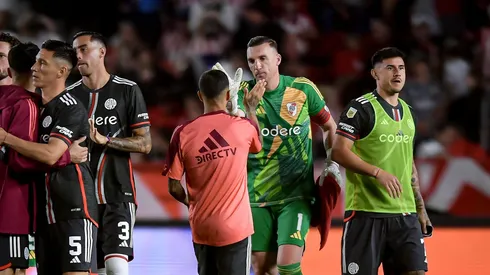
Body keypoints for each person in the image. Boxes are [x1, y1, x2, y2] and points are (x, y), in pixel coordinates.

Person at [234, 36, 340, 275]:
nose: (257, 66)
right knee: (262, 268)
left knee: (287, 266)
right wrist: (249, 110)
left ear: (278, 59)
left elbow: (329, 127)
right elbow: (247, 144)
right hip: (256, 194)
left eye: (263, 58)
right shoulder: (241, 94)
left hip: (296, 195)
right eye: (251, 61)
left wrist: (332, 162)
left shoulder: (302, 89)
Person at [0, 40, 98, 275]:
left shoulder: (70, 108)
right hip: (44, 215)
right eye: (35, 62)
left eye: (42, 63)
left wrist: (5, 138)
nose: (34, 68)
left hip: (72, 211)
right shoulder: (35, 106)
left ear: (62, 71)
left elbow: (51, 154)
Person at [331, 47, 432, 275]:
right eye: (390, 68)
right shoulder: (360, 109)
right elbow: (338, 152)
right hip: (366, 214)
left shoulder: (409, 113)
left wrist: (420, 208)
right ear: (375, 74)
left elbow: (408, 163)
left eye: (401, 68)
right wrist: (378, 173)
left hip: (405, 216)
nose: (397, 73)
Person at [163, 69, 262, 275]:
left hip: (202, 227)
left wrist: (193, 203)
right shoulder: (243, 126)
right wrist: (250, 109)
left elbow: (173, 187)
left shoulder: (182, 133)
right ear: (228, 95)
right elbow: (258, 145)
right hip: (236, 228)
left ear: (200, 96)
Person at [70, 31, 151, 275]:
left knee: (117, 267)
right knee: (98, 270)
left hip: (118, 194)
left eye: (84, 49)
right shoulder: (70, 96)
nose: (78, 56)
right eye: (75, 51)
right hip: (82, 198)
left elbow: (145, 144)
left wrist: (105, 140)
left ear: (102, 52)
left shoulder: (128, 90)